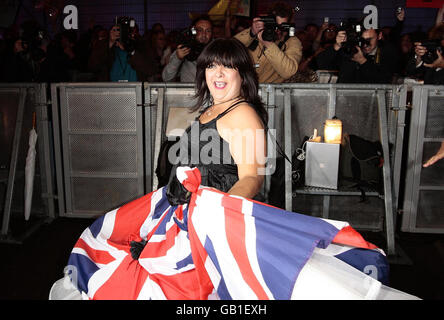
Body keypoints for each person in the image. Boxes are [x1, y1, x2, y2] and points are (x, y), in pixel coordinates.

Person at [234, 1, 302, 83]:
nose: (277, 30)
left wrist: (268, 44)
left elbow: (288, 72)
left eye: (282, 27)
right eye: (275, 25)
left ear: (289, 26)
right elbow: (228, 48)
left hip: (270, 93)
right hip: (246, 89)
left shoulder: (292, 42)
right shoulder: (256, 33)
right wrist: (251, 33)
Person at [315, 26, 399, 83]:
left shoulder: (387, 52)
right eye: (362, 40)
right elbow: (322, 63)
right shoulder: (351, 50)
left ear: (379, 36)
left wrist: (363, 61)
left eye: (370, 39)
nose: (366, 44)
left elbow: (384, 80)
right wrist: (336, 46)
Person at [88, 20, 156, 82]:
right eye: (123, 31)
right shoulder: (106, 45)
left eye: (131, 31)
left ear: (137, 32)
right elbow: (93, 66)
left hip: (135, 91)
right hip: (110, 91)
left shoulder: (142, 45)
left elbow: (151, 70)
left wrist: (132, 51)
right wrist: (110, 43)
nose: (128, 34)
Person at [162, 15, 213, 82]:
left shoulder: (216, 51)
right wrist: (178, 58)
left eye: (208, 31)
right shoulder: (185, 49)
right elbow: (166, 78)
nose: (204, 34)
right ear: (193, 31)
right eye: (200, 30)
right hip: (189, 92)